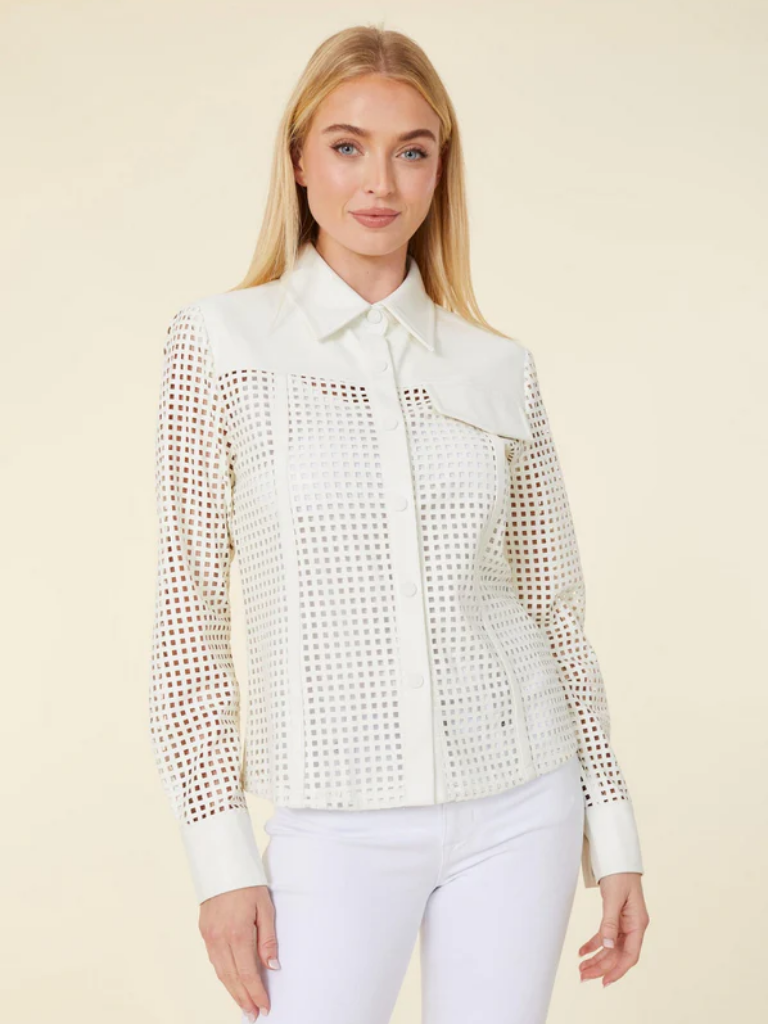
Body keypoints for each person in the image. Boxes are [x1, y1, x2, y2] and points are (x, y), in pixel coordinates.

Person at [148, 23, 650, 1024]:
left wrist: (615, 829)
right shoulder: (220, 346)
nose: (380, 182)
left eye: (411, 151)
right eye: (348, 146)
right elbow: (186, 619)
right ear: (299, 160)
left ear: (439, 170)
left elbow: (555, 612)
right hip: (333, 823)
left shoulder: (497, 368)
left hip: (523, 805)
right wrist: (220, 855)